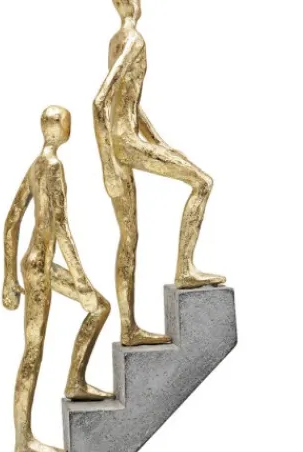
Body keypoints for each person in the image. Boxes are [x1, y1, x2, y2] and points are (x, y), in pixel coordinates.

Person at [94, 0, 226, 347]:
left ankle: (128, 328)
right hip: (125, 144)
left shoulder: (116, 40)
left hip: (122, 143)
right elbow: (100, 102)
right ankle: (185, 268)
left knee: (129, 237)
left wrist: (159, 143)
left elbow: (129, 106)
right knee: (202, 183)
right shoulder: (134, 40)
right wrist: (108, 163)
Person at [4, 106, 112, 452]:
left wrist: (9, 276)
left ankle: (75, 383)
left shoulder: (36, 165)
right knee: (35, 349)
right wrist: (80, 279)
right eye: (67, 121)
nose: (69, 126)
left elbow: (11, 220)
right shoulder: (51, 167)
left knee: (96, 310)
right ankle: (24, 439)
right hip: (41, 267)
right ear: (60, 128)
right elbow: (61, 225)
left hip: (37, 264)